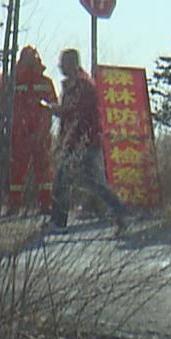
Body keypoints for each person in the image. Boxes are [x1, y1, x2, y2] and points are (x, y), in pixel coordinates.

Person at [48, 48, 130, 233]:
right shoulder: (72, 86)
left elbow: (80, 114)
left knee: (87, 181)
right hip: (74, 142)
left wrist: (58, 111)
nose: (60, 67)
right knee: (69, 179)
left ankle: (120, 212)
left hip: (86, 141)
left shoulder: (84, 86)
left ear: (73, 64)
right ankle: (59, 221)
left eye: (63, 63)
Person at [6, 45, 57, 215]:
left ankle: (45, 204)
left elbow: (52, 108)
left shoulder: (45, 83)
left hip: (40, 134)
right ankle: (15, 204)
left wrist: (41, 131)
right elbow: (5, 105)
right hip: (19, 134)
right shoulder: (14, 81)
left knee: (43, 171)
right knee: (17, 171)